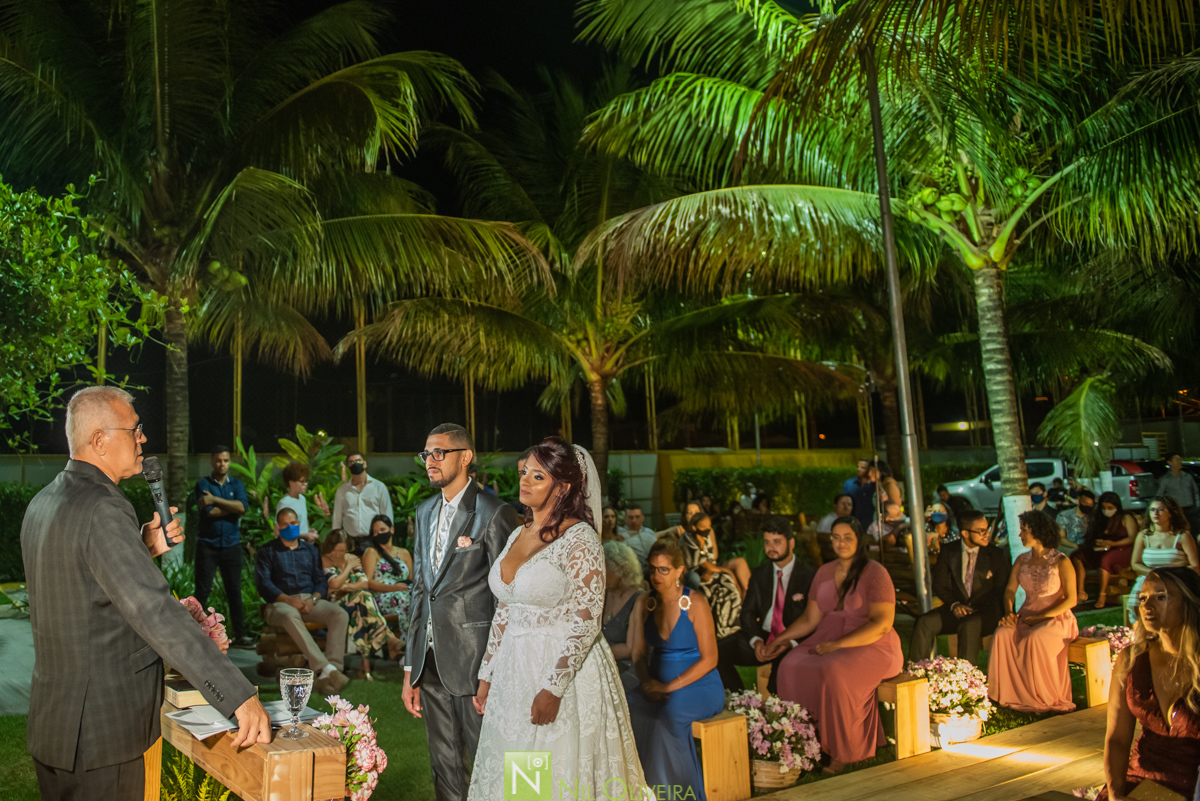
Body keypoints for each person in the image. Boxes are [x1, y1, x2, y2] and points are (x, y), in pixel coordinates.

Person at [21, 386, 270, 800]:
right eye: (135, 430)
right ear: (99, 440)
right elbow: (154, 610)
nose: (143, 439)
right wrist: (237, 695)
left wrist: (142, 547)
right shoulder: (103, 507)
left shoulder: (43, 502)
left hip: (54, 727)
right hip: (102, 733)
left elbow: (81, 589)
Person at [468, 438, 646, 801]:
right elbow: (506, 607)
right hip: (514, 673)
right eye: (523, 474)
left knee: (557, 774)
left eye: (538, 476)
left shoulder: (579, 539)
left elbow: (587, 618)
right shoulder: (519, 533)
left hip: (563, 672)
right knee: (521, 779)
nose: (525, 482)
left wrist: (554, 687)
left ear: (562, 487)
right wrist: (487, 674)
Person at [402, 423, 523, 801]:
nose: (430, 461)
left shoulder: (495, 512)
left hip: (477, 662)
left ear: (466, 456)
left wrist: (494, 670)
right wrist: (411, 668)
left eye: (440, 452)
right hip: (432, 659)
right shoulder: (423, 512)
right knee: (445, 763)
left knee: (493, 761)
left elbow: (509, 597)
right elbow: (421, 590)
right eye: (426, 454)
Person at [763, 516, 903, 773]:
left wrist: (838, 646)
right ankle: (803, 745)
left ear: (859, 540)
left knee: (834, 670)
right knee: (790, 664)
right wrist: (779, 640)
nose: (841, 543)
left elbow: (881, 624)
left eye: (847, 537)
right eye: (836, 537)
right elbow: (810, 618)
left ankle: (843, 751)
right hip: (827, 639)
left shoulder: (874, 573)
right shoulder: (825, 571)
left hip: (872, 644)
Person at [627, 539, 724, 800]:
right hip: (657, 680)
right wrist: (647, 683)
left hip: (699, 684)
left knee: (665, 720)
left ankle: (680, 795)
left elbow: (710, 659)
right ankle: (641, 791)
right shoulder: (644, 603)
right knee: (630, 709)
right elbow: (637, 653)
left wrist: (667, 687)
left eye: (664, 569)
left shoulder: (696, 603)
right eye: (652, 569)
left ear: (680, 570)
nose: (656, 576)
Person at [1100, 567, 1200, 801]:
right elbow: (1117, 739)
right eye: (1143, 598)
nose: (1146, 605)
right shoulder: (1132, 659)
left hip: (1192, 788)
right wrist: (1116, 795)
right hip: (1137, 785)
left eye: (1160, 596)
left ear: (1188, 602)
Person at [987, 511, 1079, 713]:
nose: (1020, 535)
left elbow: (1072, 599)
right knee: (1002, 634)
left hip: (1057, 618)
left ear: (1038, 532)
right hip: (1026, 614)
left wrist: (1041, 617)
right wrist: (1009, 613)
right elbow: (1010, 590)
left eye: (1024, 531)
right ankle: (1009, 695)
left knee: (1034, 639)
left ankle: (1042, 698)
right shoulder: (1022, 560)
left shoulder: (1061, 561)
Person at [256, 507, 350, 694]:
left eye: (293, 524)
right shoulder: (267, 551)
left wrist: (314, 598)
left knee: (339, 614)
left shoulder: (310, 550)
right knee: (291, 615)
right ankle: (326, 669)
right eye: (285, 524)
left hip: (309, 600)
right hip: (280, 603)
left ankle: (330, 672)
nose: (290, 527)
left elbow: (320, 580)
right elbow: (263, 583)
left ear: (299, 525)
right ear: (278, 527)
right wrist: (288, 600)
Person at [715, 516, 816, 692]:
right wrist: (756, 641)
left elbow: (813, 620)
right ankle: (742, 701)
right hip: (764, 636)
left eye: (777, 542)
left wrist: (790, 642)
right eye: (767, 542)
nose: (771, 548)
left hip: (791, 641)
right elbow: (746, 612)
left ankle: (777, 713)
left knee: (776, 685)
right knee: (716, 652)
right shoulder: (760, 573)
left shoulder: (809, 575)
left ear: (791, 543)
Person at [909, 510, 1010, 664]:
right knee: (924, 622)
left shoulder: (996, 555)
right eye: (981, 531)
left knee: (969, 625)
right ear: (965, 533)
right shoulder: (950, 551)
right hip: (956, 608)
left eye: (987, 529)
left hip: (986, 612)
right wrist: (954, 604)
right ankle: (916, 672)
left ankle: (967, 679)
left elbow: (1000, 590)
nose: (986, 534)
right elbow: (940, 584)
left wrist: (975, 610)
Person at [321, 531, 404, 680]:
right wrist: (348, 570)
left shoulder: (351, 558)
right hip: (334, 606)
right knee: (364, 599)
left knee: (362, 610)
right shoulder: (325, 560)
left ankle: (365, 667)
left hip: (357, 604)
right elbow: (333, 584)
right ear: (329, 547)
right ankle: (389, 641)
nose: (341, 553)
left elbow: (364, 583)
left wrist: (344, 586)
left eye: (344, 550)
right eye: (338, 550)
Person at [193, 445, 253, 647]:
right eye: (218, 460)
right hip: (207, 546)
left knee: (234, 591)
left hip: (231, 545)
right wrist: (231, 506)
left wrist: (215, 500)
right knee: (202, 591)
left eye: (226, 460)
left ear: (230, 462)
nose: (222, 464)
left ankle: (241, 635)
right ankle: (194, 633)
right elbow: (208, 512)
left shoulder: (237, 484)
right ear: (212, 461)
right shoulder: (202, 483)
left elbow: (243, 507)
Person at [1125, 497, 1200, 625]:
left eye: (1161, 509)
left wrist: (1172, 575)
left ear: (1171, 513)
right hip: (1150, 579)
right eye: (1152, 510)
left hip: (1175, 579)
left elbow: (1195, 565)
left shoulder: (1182, 536)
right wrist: (1154, 573)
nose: (1156, 513)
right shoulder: (1143, 535)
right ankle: (1140, 634)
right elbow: (1135, 563)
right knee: (1140, 598)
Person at [680, 512, 745, 636]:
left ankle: (731, 623)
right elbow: (700, 563)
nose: (707, 530)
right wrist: (727, 571)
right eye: (703, 527)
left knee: (726, 583)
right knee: (725, 581)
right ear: (694, 527)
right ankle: (724, 626)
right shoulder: (687, 539)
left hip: (710, 573)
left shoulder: (706, 538)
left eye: (709, 526)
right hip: (694, 576)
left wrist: (714, 570)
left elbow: (712, 559)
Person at [602, 540, 647, 686]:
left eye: (606, 567)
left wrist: (596, 653)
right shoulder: (603, 595)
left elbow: (630, 649)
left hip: (627, 670)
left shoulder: (639, 599)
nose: (601, 572)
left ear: (621, 569)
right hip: (603, 665)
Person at [361, 514, 413, 640]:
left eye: (382, 530)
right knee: (402, 599)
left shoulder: (404, 553)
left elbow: (411, 579)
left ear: (392, 529)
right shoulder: (372, 552)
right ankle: (404, 642)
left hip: (405, 590)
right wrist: (393, 588)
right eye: (375, 532)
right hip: (383, 594)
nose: (379, 534)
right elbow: (368, 582)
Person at [332, 451, 394, 554]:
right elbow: (337, 517)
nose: (355, 464)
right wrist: (337, 540)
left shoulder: (379, 487)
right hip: (350, 541)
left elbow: (387, 514)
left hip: (373, 539)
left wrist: (387, 538)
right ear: (348, 466)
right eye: (351, 462)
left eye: (358, 461)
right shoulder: (342, 490)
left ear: (365, 464)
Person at [1091, 492, 1141, 609]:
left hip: (1127, 548)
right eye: (1104, 508)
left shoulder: (1126, 517)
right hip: (1111, 547)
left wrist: (1114, 543)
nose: (1106, 511)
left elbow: (1133, 537)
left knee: (1106, 559)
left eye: (1110, 508)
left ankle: (1102, 594)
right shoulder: (1105, 520)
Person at [275, 460, 329, 542]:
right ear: (291, 482)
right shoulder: (285, 503)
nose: (305, 484)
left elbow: (304, 521)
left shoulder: (302, 499)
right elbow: (279, 531)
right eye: (302, 481)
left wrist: (309, 530)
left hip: (303, 547)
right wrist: (305, 536)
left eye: (306, 481)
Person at [1061, 489, 1096, 595]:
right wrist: (1075, 545)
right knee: (1074, 556)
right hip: (1070, 546)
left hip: (1088, 548)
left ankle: (1080, 591)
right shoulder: (1064, 515)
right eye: (1085, 503)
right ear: (1079, 501)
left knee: (1078, 556)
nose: (1087, 506)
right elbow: (1061, 537)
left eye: (1090, 504)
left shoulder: (1093, 517)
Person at [1160, 453, 1200, 535]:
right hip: (1177, 511)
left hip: (1192, 510)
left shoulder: (1188, 477)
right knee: (1181, 533)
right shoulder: (1165, 480)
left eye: (1180, 459)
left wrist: (1197, 506)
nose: (1180, 462)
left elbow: (1195, 492)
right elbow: (1159, 496)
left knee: (1195, 532)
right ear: (1170, 462)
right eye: (1177, 460)